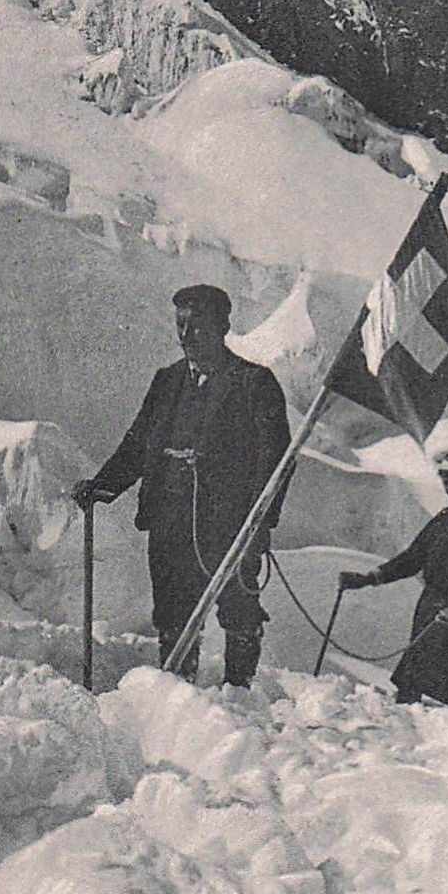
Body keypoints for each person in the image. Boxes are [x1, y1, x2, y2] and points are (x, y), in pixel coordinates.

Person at [72, 284, 291, 687]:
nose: (187, 336)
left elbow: (277, 460)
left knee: (238, 611)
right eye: (181, 325)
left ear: (223, 326)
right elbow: (139, 443)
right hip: (169, 521)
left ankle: (238, 696)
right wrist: (102, 486)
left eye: (198, 326)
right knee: (173, 613)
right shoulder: (167, 381)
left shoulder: (254, 384)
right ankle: (177, 694)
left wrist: (259, 525)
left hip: (231, 527)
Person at [338, 447, 448, 714]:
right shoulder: (444, 520)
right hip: (432, 608)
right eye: (446, 480)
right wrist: (369, 578)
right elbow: (413, 558)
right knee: (414, 687)